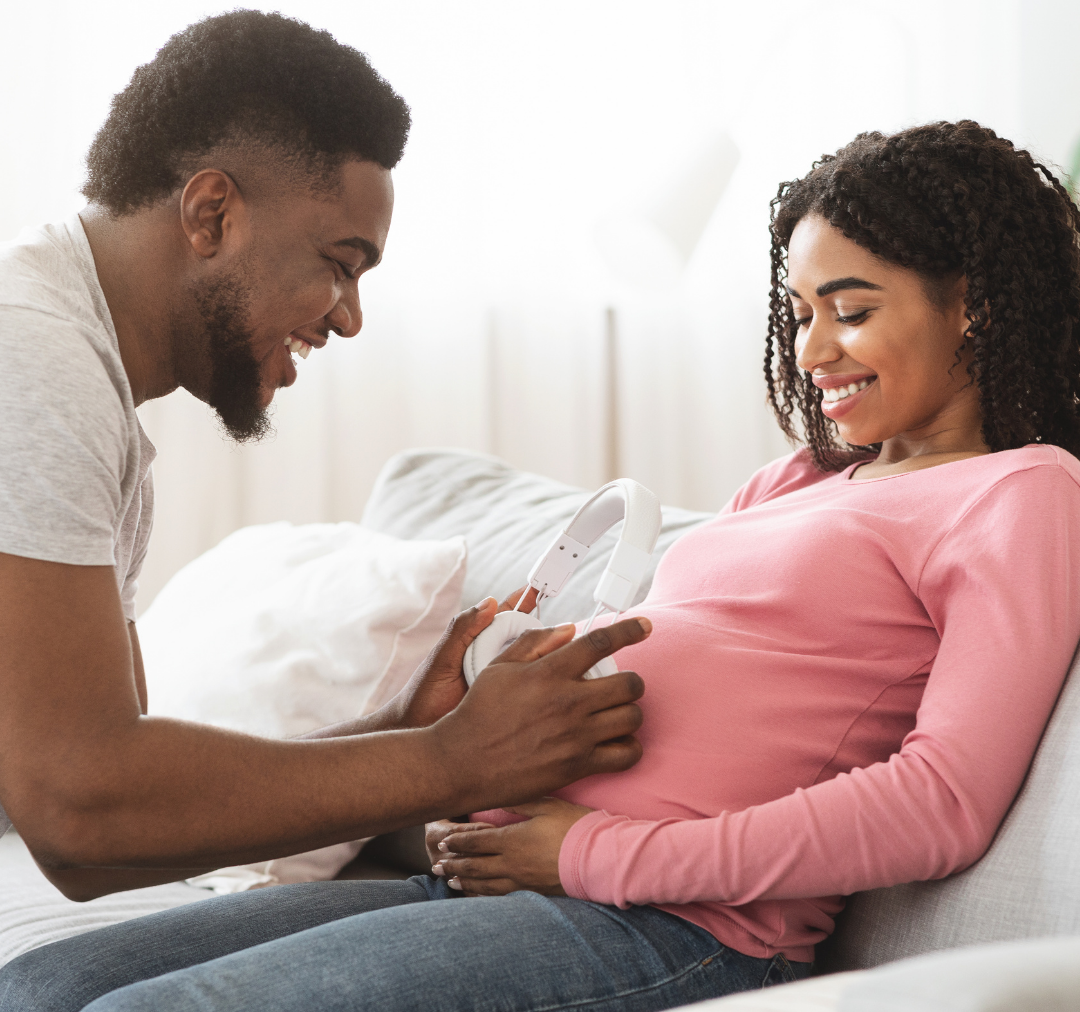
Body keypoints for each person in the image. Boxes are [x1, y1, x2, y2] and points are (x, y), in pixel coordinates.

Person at [4, 122, 1079, 1011]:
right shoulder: (795, 480)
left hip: (667, 928)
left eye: (851, 310)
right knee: (47, 986)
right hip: (495, 885)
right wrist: (480, 714)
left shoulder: (1023, 495)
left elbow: (941, 803)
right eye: (799, 315)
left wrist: (590, 857)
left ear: (972, 302)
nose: (809, 352)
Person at [0, 9, 650, 906]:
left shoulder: (77, 374)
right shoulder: (32, 363)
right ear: (211, 212)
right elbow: (82, 811)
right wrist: (452, 761)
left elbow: (111, 839)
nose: (347, 317)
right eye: (341, 264)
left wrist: (398, 733)